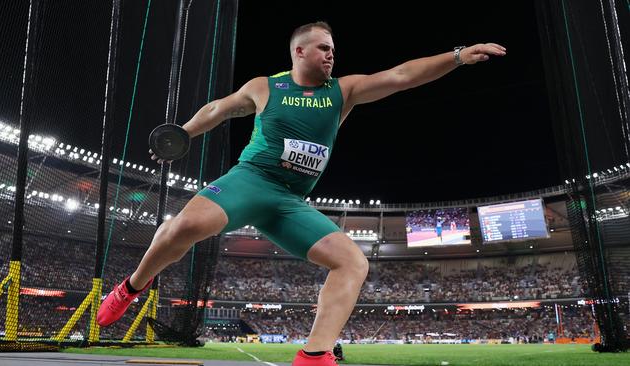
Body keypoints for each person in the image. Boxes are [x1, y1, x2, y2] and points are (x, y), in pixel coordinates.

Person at [97, 21, 505, 365]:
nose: (332, 55)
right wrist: (184, 132)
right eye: (324, 48)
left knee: (352, 263)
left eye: (333, 50)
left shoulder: (343, 91)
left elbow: (401, 76)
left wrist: (456, 56)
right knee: (184, 226)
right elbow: (218, 109)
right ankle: (131, 287)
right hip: (251, 180)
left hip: (289, 202)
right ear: (299, 51)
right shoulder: (265, 87)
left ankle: (314, 357)